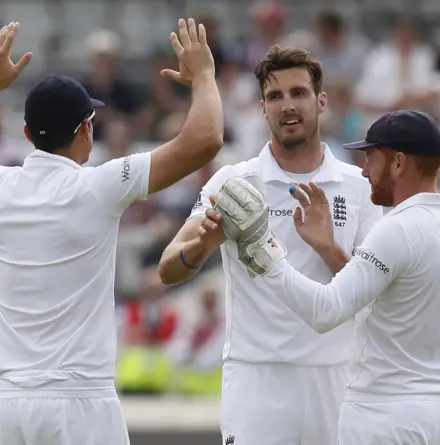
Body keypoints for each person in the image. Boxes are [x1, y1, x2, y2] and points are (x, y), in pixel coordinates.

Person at [0, 19, 223, 445]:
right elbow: (205, 139)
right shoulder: (99, 187)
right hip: (80, 403)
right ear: (87, 130)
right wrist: (205, 75)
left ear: (27, 133)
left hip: (10, 406)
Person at [213, 110, 440, 444]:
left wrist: (263, 248)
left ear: (399, 163)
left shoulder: (394, 231)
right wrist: (330, 248)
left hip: (382, 419)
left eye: (371, 159)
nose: (365, 171)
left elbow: (325, 311)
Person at [158, 45, 382, 445]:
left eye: (299, 93)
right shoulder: (233, 181)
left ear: (321, 101)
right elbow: (168, 267)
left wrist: (328, 247)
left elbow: (373, 295)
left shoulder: (360, 187)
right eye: (275, 96)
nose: (287, 105)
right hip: (255, 377)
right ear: (262, 107)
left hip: (336, 378)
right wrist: (206, 243)